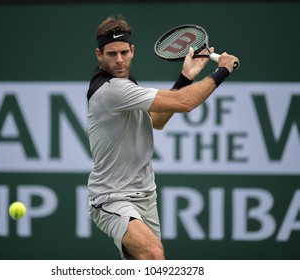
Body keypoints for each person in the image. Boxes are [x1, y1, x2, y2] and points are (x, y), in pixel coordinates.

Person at [86, 15, 238, 260]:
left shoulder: (127, 83)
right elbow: (185, 103)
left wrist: (185, 78)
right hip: (111, 197)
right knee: (154, 255)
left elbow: (157, 120)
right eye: (111, 54)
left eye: (124, 52)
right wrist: (222, 71)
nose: (119, 60)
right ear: (99, 55)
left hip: (146, 194)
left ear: (132, 50)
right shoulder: (111, 90)